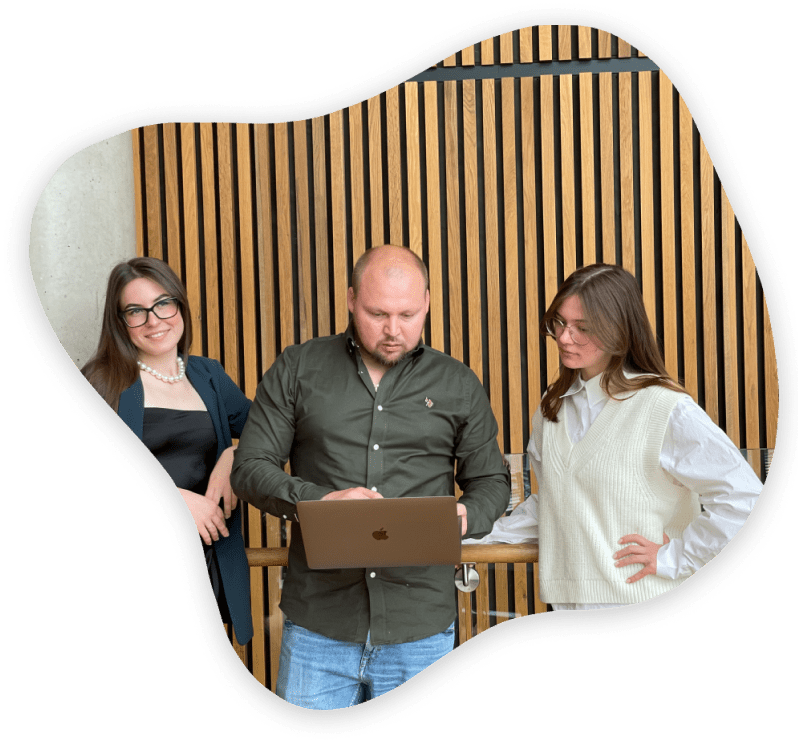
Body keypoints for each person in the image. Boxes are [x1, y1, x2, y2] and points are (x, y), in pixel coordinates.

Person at [231, 244, 510, 708]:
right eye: (378, 314)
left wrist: (461, 517)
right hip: (319, 626)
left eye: (408, 314)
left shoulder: (458, 383)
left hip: (420, 629)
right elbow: (250, 467)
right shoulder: (298, 368)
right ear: (350, 299)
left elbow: (492, 483)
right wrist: (319, 503)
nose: (393, 330)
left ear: (427, 303)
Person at [466, 263, 763, 611]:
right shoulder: (552, 408)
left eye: (582, 328)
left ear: (619, 330)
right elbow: (553, 504)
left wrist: (675, 557)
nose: (564, 338)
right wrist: (471, 537)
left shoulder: (664, 408)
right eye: (559, 322)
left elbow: (744, 499)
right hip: (568, 607)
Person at [81, 257, 253, 644]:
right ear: (119, 321)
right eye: (136, 311)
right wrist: (172, 500)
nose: (154, 320)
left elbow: (270, 430)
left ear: (179, 305)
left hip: (207, 562)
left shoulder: (209, 375)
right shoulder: (102, 380)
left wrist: (233, 456)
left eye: (163, 304)